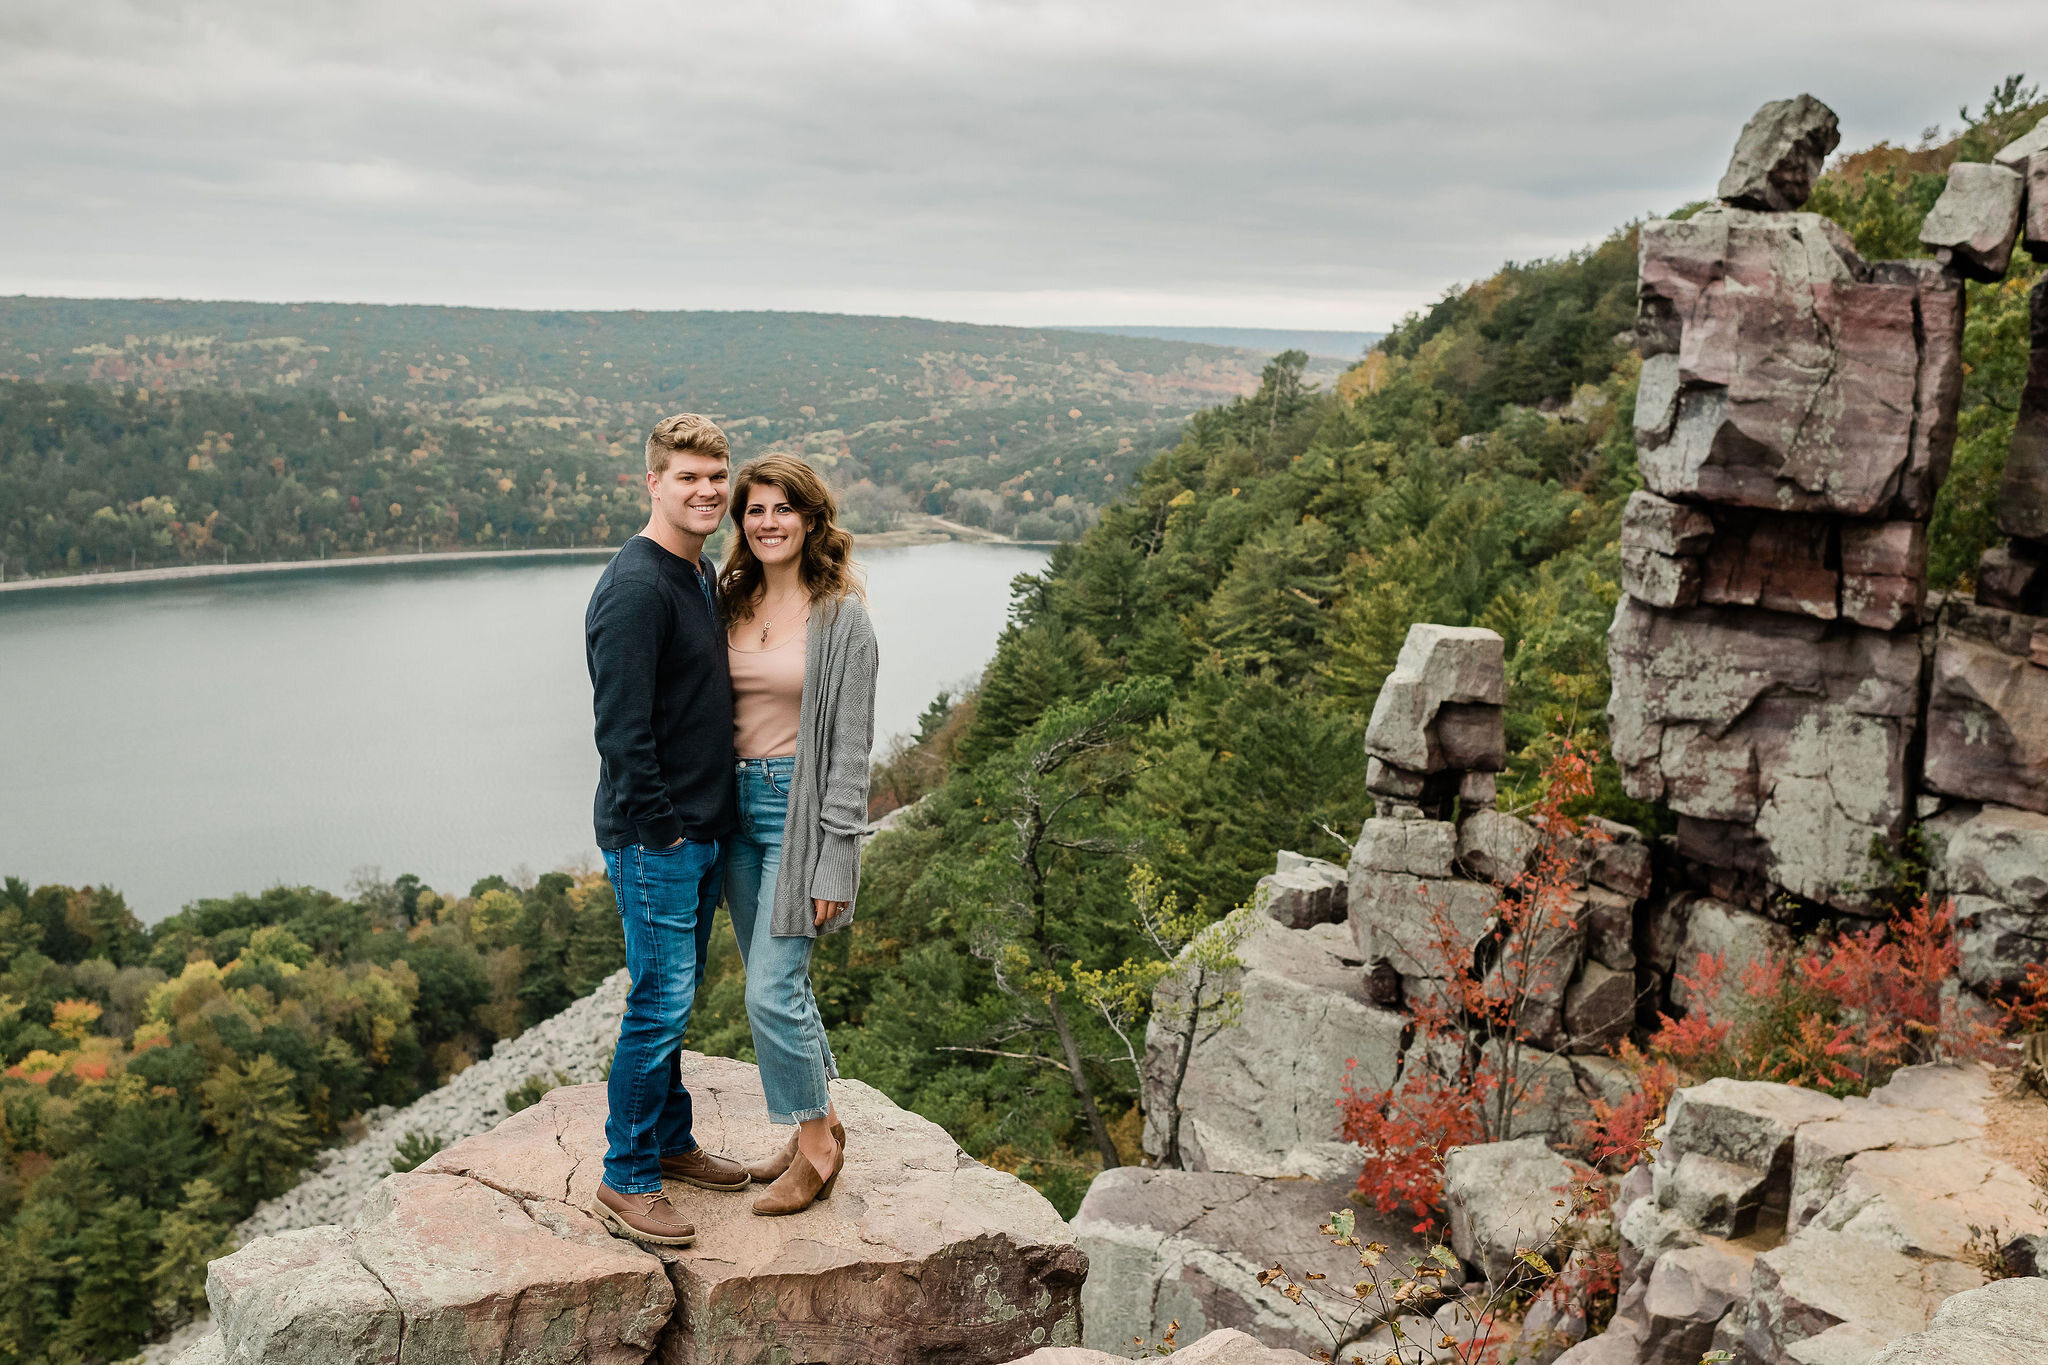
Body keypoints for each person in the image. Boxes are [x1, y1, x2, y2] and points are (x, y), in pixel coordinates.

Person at [583, 413, 752, 1247]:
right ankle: (628, 1175)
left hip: (700, 830)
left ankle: (671, 1142)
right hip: (660, 841)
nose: (707, 492)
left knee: (675, 1001)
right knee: (658, 1003)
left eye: (717, 478)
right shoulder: (637, 588)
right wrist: (666, 836)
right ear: (652, 482)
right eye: (688, 478)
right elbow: (621, 734)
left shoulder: (697, 569)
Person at [719, 454, 877, 1216]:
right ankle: (827, 1117)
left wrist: (835, 859)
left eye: (783, 508)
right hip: (733, 814)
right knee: (779, 979)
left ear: (812, 518)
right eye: (755, 509)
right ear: (741, 521)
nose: (768, 521)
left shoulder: (843, 615)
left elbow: (851, 751)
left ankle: (816, 1146)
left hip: (796, 813)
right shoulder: (728, 598)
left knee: (770, 991)